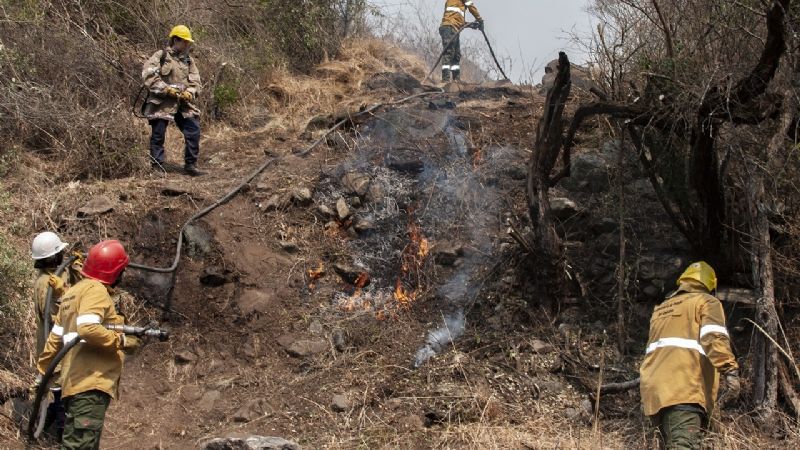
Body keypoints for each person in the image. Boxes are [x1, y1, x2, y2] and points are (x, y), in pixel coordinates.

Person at [37, 240, 140, 449]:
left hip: (73, 385)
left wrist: (41, 374)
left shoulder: (72, 294)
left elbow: (54, 340)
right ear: (115, 272)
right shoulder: (96, 291)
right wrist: (119, 340)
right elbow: (87, 328)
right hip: (91, 383)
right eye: (121, 270)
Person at [639, 261, 740, 449]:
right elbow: (714, 338)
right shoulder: (707, 302)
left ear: (682, 281)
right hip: (684, 389)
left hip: (653, 393)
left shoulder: (661, 309)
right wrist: (730, 369)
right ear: (711, 285)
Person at [30, 231, 82, 440]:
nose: (64, 255)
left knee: (62, 392)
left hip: (63, 345)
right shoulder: (46, 283)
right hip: (55, 348)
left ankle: (49, 420)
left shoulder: (57, 275)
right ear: (52, 258)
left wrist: (78, 268)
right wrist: (65, 294)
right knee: (63, 395)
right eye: (60, 253)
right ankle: (63, 437)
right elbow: (56, 316)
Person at [142, 25, 204, 176]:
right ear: (175, 39)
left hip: (182, 103)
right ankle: (157, 167)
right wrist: (166, 89)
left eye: (188, 42)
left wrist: (190, 92)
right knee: (158, 133)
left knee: (193, 129)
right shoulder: (161, 55)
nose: (187, 45)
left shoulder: (188, 61)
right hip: (162, 102)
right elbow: (148, 75)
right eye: (185, 41)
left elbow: (196, 82)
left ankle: (190, 165)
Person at [439, 0, 483, 82]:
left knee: (456, 55)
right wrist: (480, 20)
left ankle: (456, 79)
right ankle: (445, 80)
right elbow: (471, 6)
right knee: (449, 53)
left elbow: (456, 19)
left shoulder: (453, 2)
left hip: (451, 28)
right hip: (450, 28)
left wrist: (471, 25)